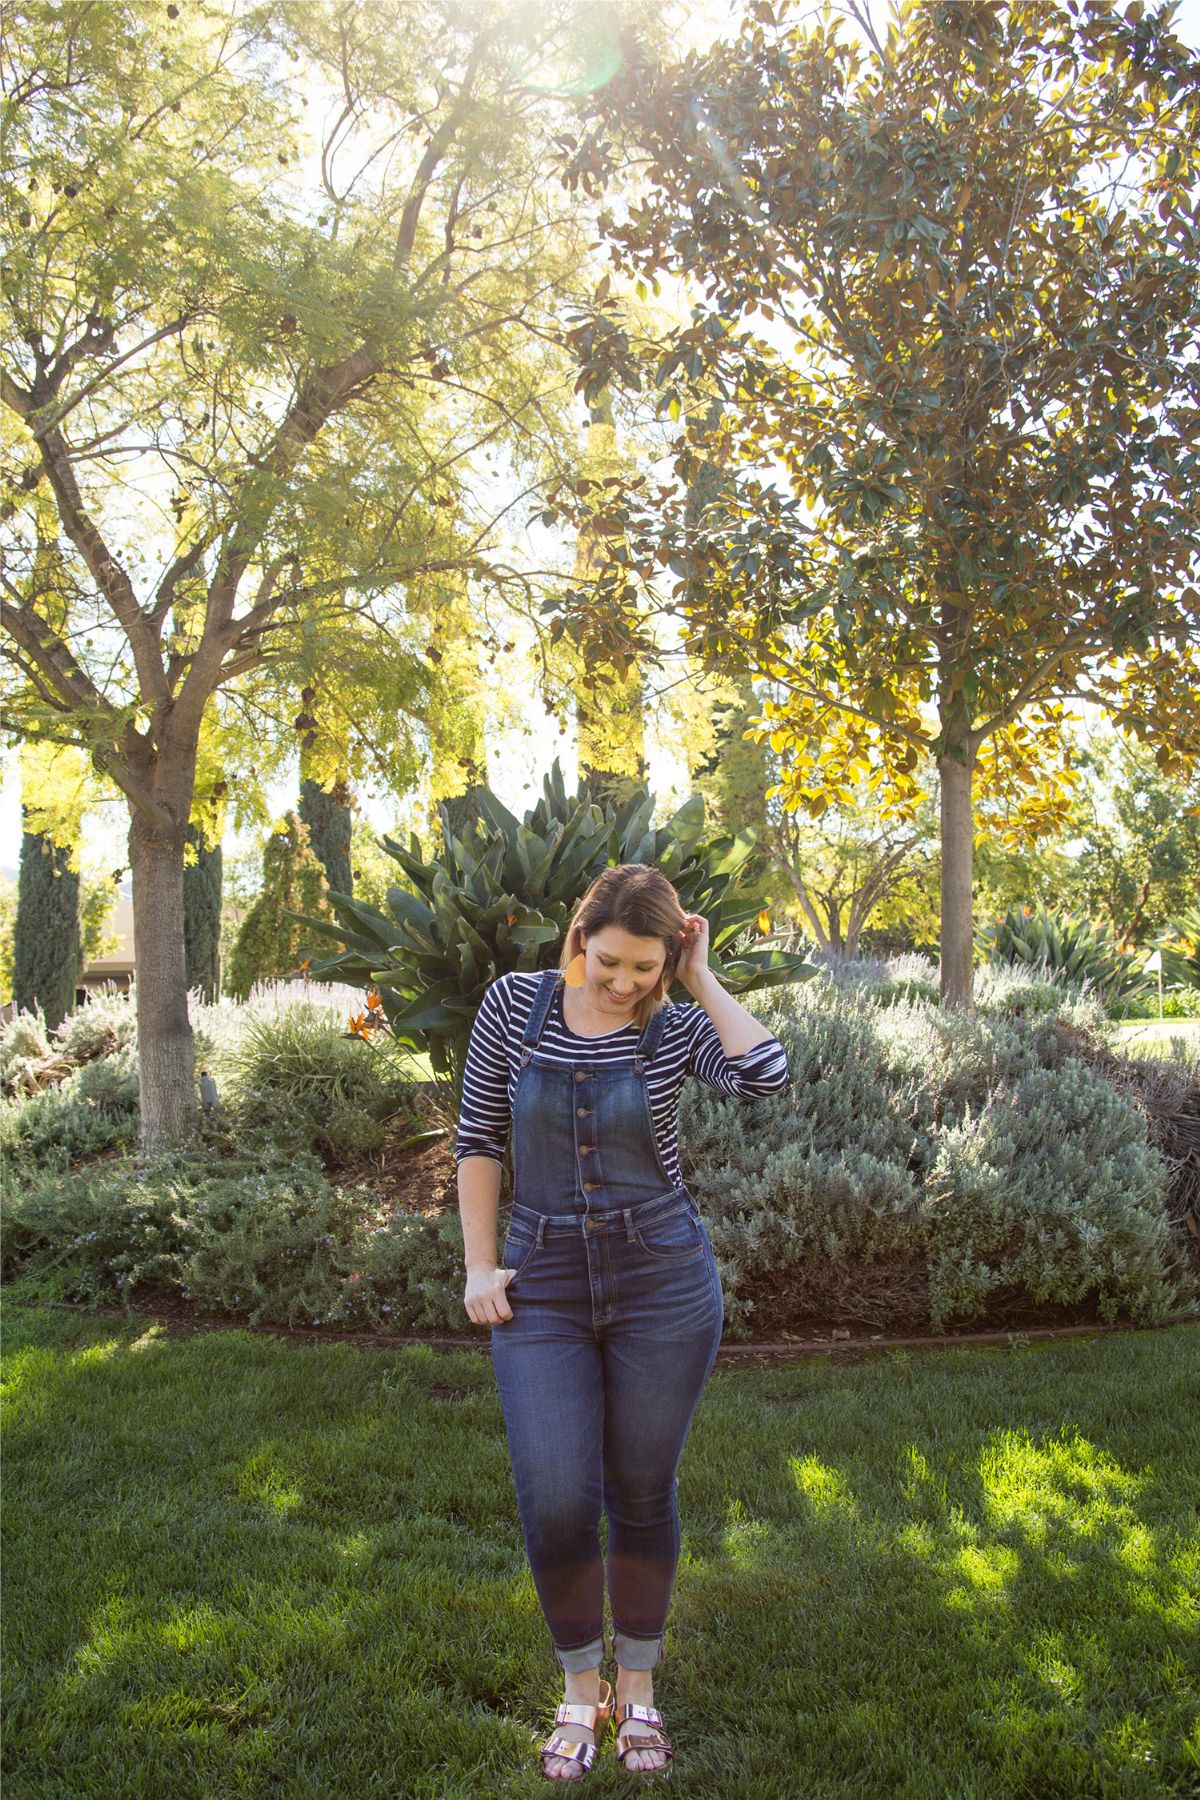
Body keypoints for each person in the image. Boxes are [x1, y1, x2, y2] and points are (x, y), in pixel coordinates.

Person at [456, 863, 792, 1780]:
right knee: (559, 1495)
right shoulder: (513, 1008)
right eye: (610, 961)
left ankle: (636, 1690)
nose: (622, 982)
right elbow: (480, 1138)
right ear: (579, 934)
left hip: (663, 1281)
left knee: (642, 1492)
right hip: (543, 1281)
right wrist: (481, 1264)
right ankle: (577, 1687)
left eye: (645, 967)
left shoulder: (675, 1025)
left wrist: (700, 978)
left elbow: (766, 1073)